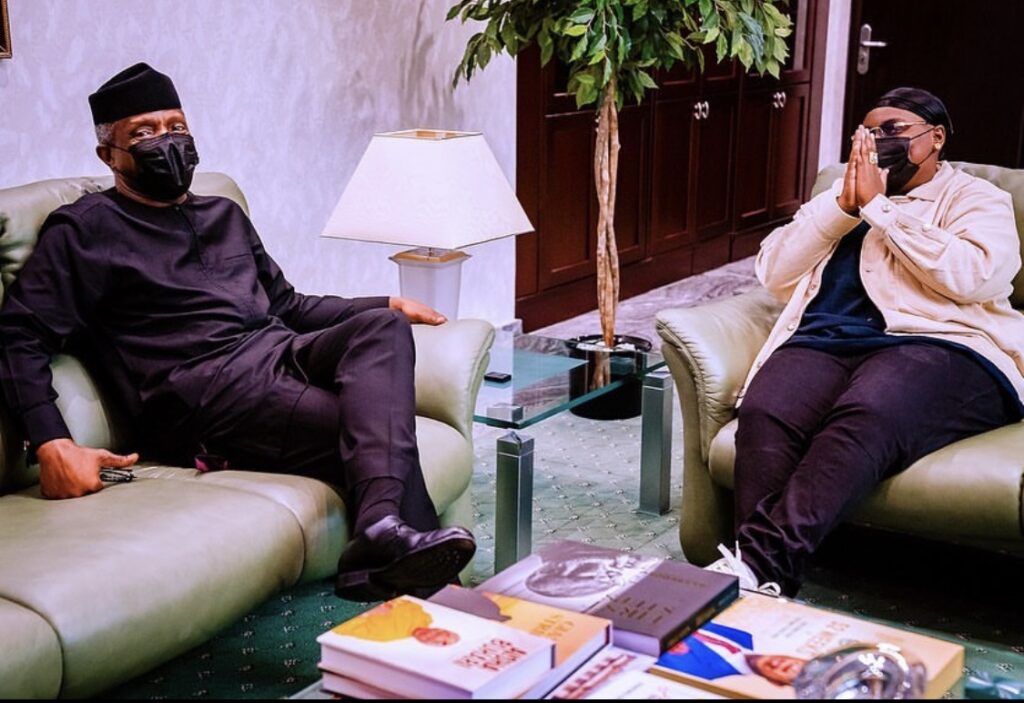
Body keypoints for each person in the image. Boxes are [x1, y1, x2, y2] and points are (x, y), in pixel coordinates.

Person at [0, 63, 476, 601]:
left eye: (176, 126)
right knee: (374, 424)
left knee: (382, 330)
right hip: (202, 396)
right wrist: (51, 441)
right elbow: (18, 334)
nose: (167, 141)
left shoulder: (224, 215)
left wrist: (384, 303)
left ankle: (380, 537)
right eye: (144, 132)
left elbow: (288, 305)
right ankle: (440, 600)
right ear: (109, 155)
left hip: (276, 355)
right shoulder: (86, 230)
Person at [705, 87, 1024, 597]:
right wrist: (844, 207)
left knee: (871, 410)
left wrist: (881, 209)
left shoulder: (976, 198)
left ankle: (757, 567)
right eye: (870, 132)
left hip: (940, 345)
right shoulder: (842, 193)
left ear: (936, 138)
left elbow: (974, 276)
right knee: (766, 410)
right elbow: (773, 273)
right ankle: (763, 583)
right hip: (825, 339)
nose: (880, 141)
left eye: (894, 130)